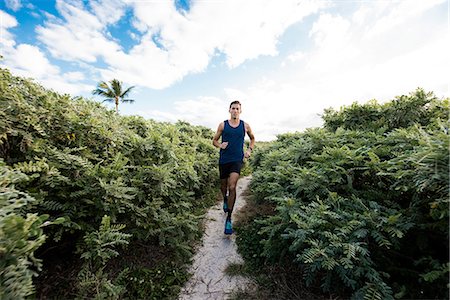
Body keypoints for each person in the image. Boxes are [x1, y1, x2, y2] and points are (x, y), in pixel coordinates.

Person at [212, 100, 255, 235]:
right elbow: (214, 140)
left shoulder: (245, 126)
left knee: (232, 186)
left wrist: (249, 150)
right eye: (233, 108)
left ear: (240, 111)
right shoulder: (223, 125)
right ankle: (225, 199)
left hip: (237, 160)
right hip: (224, 160)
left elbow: (253, 139)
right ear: (229, 110)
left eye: (237, 109)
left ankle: (229, 218)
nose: (235, 111)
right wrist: (220, 145)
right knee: (223, 186)